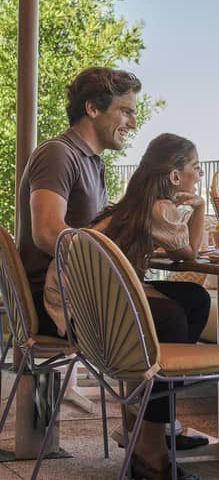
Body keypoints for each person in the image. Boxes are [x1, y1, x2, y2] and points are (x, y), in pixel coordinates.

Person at [45, 133, 210, 480]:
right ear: (176, 177)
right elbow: (192, 255)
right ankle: (151, 449)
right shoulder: (160, 209)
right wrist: (199, 206)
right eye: (196, 168)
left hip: (79, 307)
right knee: (174, 319)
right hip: (88, 312)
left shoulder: (136, 207)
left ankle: (142, 415)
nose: (200, 174)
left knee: (194, 300)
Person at [17, 66, 142, 335]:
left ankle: (143, 377)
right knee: (173, 316)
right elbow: (48, 233)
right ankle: (142, 377)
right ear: (93, 108)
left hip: (78, 290)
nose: (132, 123)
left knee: (193, 298)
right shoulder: (57, 154)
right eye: (125, 112)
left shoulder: (92, 162)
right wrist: (111, 263)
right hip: (54, 300)